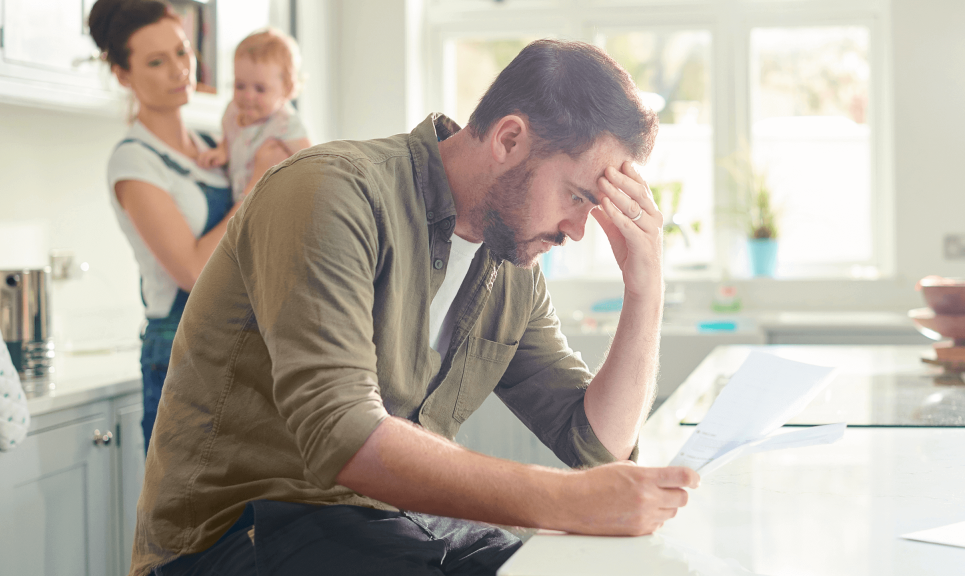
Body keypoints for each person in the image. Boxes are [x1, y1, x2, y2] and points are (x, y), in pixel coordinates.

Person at [131, 39, 700, 576]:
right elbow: (342, 431)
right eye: (578, 196)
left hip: (395, 527)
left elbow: (596, 447)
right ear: (508, 140)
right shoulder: (329, 193)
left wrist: (645, 289)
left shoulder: (512, 270)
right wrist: (564, 501)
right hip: (238, 537)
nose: (579, 229)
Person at [88, 0, 238, 452]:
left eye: (182, 51)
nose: (179, 69)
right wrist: (255, 192)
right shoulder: (134, 159)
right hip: (180, 351)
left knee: (252, 514)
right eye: (156, 61)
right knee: (194, 515)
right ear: (123, 75)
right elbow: (193, 271)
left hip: (240, 342)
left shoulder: (215, 146)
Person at [197, 28, 312, 202]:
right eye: (240, 86)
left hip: (274, 203)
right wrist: (222, 152)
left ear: (286, 89)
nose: (248, 96)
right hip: (240, 200)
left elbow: (312, 161)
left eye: (260, 89)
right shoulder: (233, 111)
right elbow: (229, 139)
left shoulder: (286, 124)